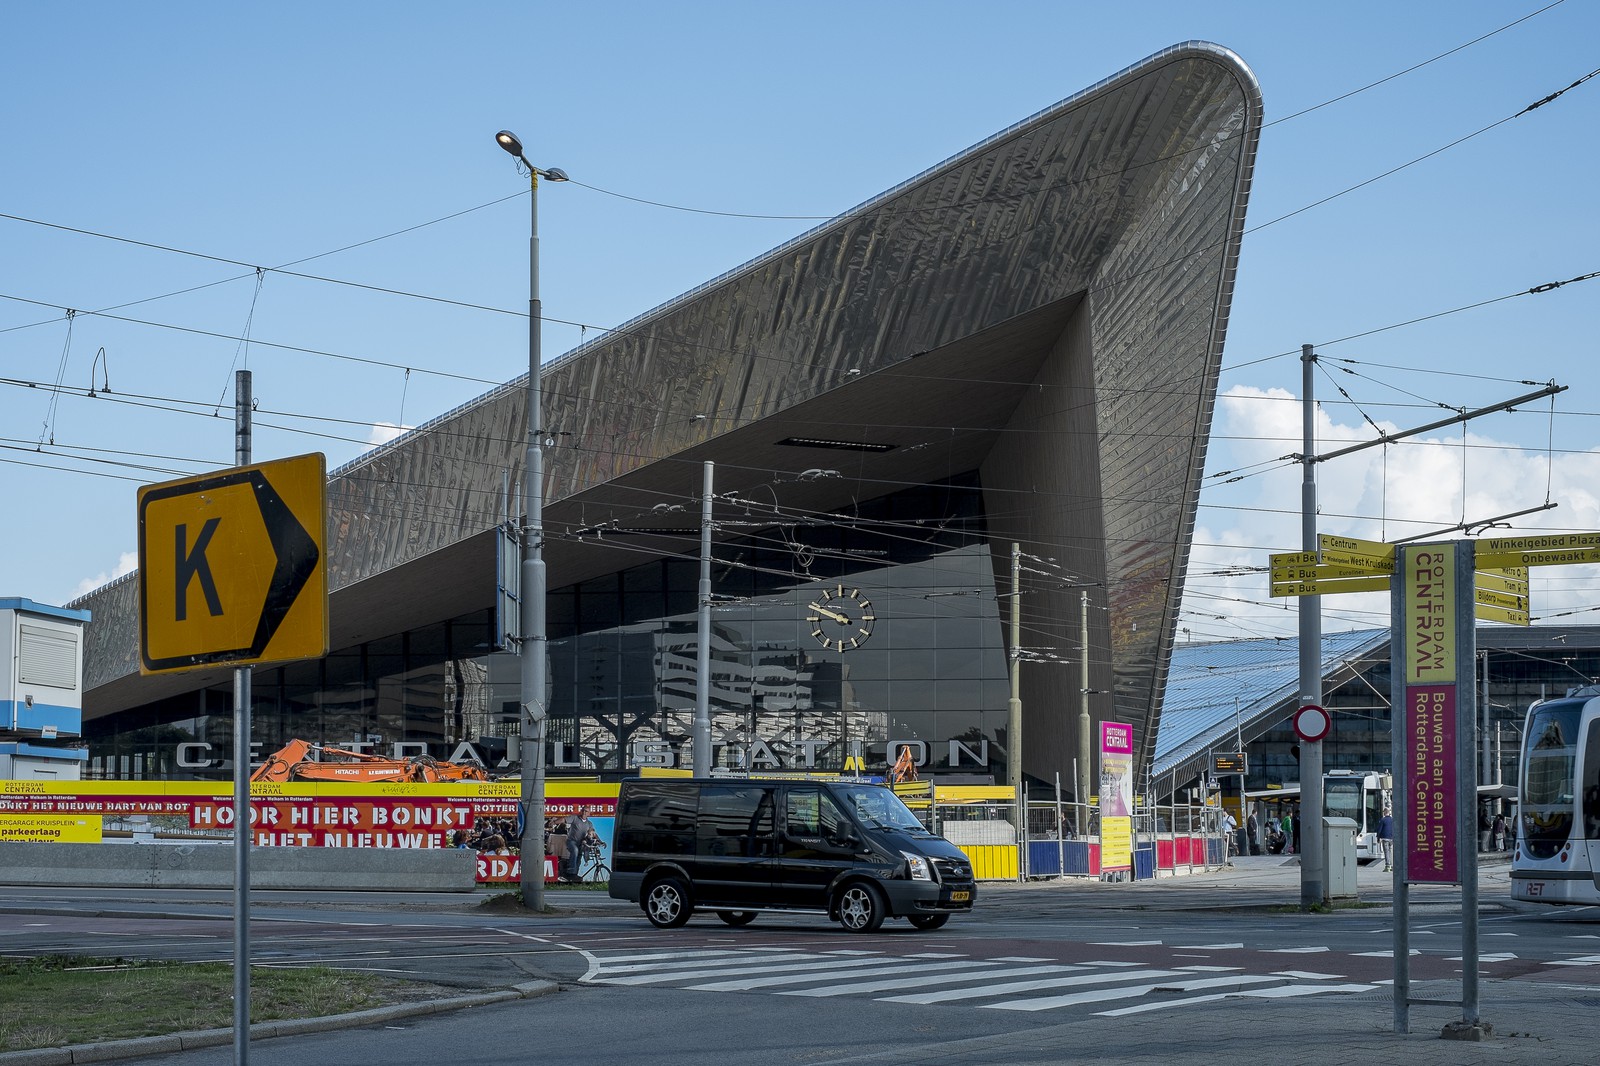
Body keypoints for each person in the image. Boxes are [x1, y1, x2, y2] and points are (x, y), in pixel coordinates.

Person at [565, 810, 593, 882]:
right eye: (583, 810)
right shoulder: (575, 818)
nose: (584, 812)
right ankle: (570, 872)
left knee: (579, 857)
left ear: (589, 814)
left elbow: (592, 833)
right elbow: (564, 819)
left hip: (581, 843)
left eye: (586, 811)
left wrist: (600, 841)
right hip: (571, 841)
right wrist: (554, 822)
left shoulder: (589, 823)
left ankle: (575, 875)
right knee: (575, 851)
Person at [1377, 806, 1394, 871]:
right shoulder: (1392, 819)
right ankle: (1391, 866)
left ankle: (1387, 866)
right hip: (1391, 838)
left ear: (1384, 812)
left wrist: (1378, 837)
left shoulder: (1383, 820)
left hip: (1385, 838)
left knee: (1386, 851)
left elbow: (1379, 829)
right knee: (1390, 851)